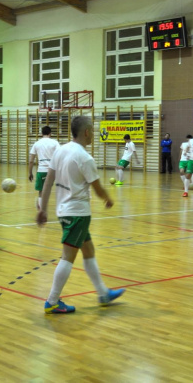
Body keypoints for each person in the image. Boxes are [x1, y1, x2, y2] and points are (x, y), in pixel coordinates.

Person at [37, 116, 125, 314]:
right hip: (77, 213)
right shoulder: (85, 158)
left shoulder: (60, 150)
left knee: (89, 250)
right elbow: (97, 187)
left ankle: (103, 293)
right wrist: (108, 199)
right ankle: (52, 301)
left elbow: (48, 182)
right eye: (92, 130)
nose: (93, 133)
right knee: (68, 257)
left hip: (64, 211)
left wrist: (42, 208)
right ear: (86, 132)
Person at [28, 126, 60, 210]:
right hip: (53, 171)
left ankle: (41, 207)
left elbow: (31, 161)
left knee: (41, 191)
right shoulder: (55, 143)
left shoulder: (37, 144)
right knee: (54, 190)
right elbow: (60, 156)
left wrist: (30, 173)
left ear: (41, 134)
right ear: (50, 133)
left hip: (41, 170)